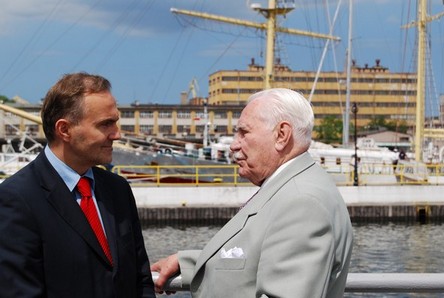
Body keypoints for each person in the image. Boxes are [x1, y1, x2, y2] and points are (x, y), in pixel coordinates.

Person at [151, 88, 353, 297]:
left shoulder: (302, 202)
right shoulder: (293, 188)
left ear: (281, 135)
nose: (234, 145)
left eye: (244, 132)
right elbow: (257, 258)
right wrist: (191, 263)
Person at [0, 72, 156, 298]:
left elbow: (141, 280)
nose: (117, 134)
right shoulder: (16, 199)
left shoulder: (118, 189)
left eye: (116, 122)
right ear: (64, 130)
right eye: (106, 124)